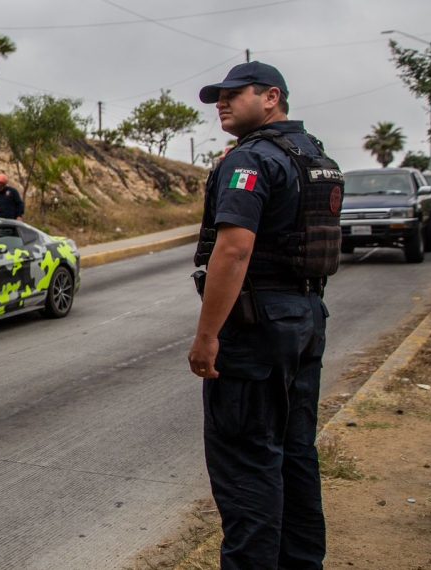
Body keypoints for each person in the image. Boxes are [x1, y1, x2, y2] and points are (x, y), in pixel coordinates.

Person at [188, 61, 340, 570]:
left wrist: (208, 336)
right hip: (305, 316)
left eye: (234, 93)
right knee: (295, 456)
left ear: (271, 97)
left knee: (248, 463)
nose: (221, 103)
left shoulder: (250, 160)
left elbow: (232, 251)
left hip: (257, 326)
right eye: (218, 96)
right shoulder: (314, 157)